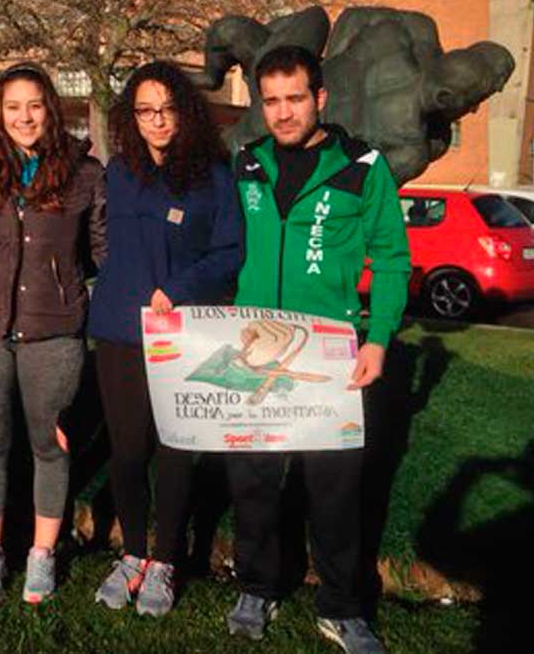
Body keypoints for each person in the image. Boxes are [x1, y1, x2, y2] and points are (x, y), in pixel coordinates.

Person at [224, 45, 410, 654]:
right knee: (253, 479)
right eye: (271, 100)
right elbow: (225, 250)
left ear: (320, 98)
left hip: (328, 357)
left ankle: (342, 606)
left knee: (333, 488)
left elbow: (390, 259)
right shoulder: (246, 164)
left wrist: (378, 339)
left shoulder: (362, 165)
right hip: (253, 351)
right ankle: (257, 585)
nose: (282, 112)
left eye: (295, 98)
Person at [87, 60, 243, 616]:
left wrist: (179, 288)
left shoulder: (213, 176)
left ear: (185, 110)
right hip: (120, 332)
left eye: (167, 108)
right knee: (128, 452)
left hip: (183, 332)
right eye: (146, 110)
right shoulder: (119, 171)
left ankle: (167, 559)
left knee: (177, 450)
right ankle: (132, 553)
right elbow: (97, 236)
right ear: (132, 116)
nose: (157, 121)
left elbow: (229, 253)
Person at [0, 62, 107, 604]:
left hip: (55, 332)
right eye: (14, 106)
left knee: (50, 444)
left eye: (35, 105)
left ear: (51, 109)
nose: (25, 116)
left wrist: (62, 285)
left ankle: (42, 553)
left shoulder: (84, 174)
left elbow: (97, 251)